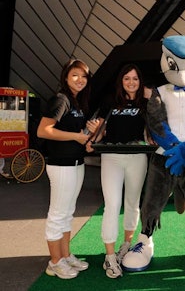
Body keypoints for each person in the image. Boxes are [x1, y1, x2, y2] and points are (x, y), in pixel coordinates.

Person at [122, 35, 185, 272]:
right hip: (163, 157)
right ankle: (144, 240)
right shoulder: (158, 92)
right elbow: (155, 121)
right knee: (152, 201)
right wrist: (174, 148)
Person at [86, 64, 151, 278]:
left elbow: (154, 126)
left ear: (140, 81)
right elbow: (101, 129)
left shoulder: (146, 102)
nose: (131, 82)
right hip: (112, 157)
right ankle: (110, 256)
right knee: (112, 205)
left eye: (135, 78)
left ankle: (126, 244)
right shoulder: (110, 100)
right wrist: (94, 135)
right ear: (120, 81)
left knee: (133, 203)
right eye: (126, 79)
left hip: (137, 157)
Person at [37, 59, 99, 279]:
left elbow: (77, 136)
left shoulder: (77, 102)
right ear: (65, 77)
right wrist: (76, 135)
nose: (80, 80)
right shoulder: (60, 99)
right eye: (75, 75)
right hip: (60, 165)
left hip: (76, 163)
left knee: (67, 213)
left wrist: (87, 133)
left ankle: (65, 255)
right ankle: (55, 262)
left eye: (84, 76)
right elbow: (44, 131)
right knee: (57, 215)